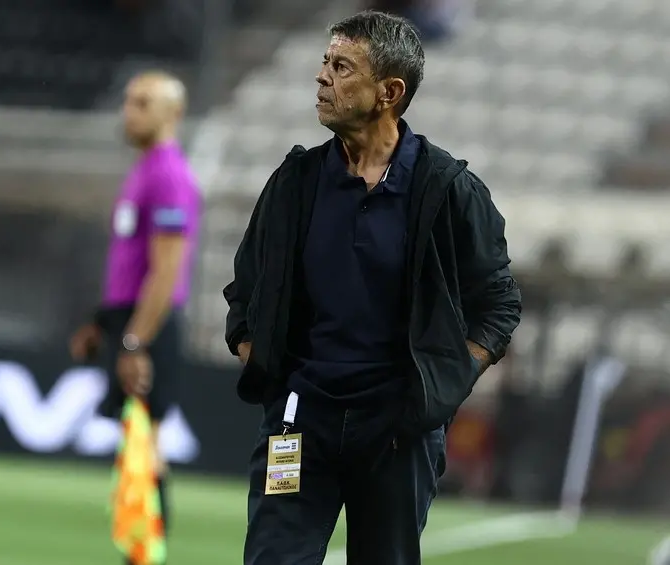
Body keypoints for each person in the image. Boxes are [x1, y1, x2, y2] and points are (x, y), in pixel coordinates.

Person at [223, 11, 521, 565]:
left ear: (390, 92)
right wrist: (265, 366)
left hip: (396, 434)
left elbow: (499, 306)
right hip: (297, 426)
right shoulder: (295, 182)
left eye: (342, 67)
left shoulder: (448, 190)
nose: (322, 77)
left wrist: (442, 386)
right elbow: (244, 290)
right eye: (325, 63)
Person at [69, 70, 200, 562]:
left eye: (143, 103)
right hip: (128, 322)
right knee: (136, 449)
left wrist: (135, 341)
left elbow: (167, 271)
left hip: (149, 327)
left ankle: (146, 558)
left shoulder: (169, 176)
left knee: (147, 448)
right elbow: (131, 266)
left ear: (174, 113)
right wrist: (102, 323)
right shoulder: (145, 170)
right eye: (128, 101)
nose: (130, 111)